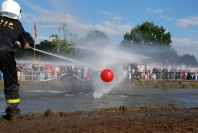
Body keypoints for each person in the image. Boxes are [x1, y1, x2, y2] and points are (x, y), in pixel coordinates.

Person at [0, 0, 29, 120]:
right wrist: (17, 43)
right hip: (4, 51)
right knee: (11, 79)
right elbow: (26, 45)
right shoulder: (17, 24)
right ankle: (12, 111)